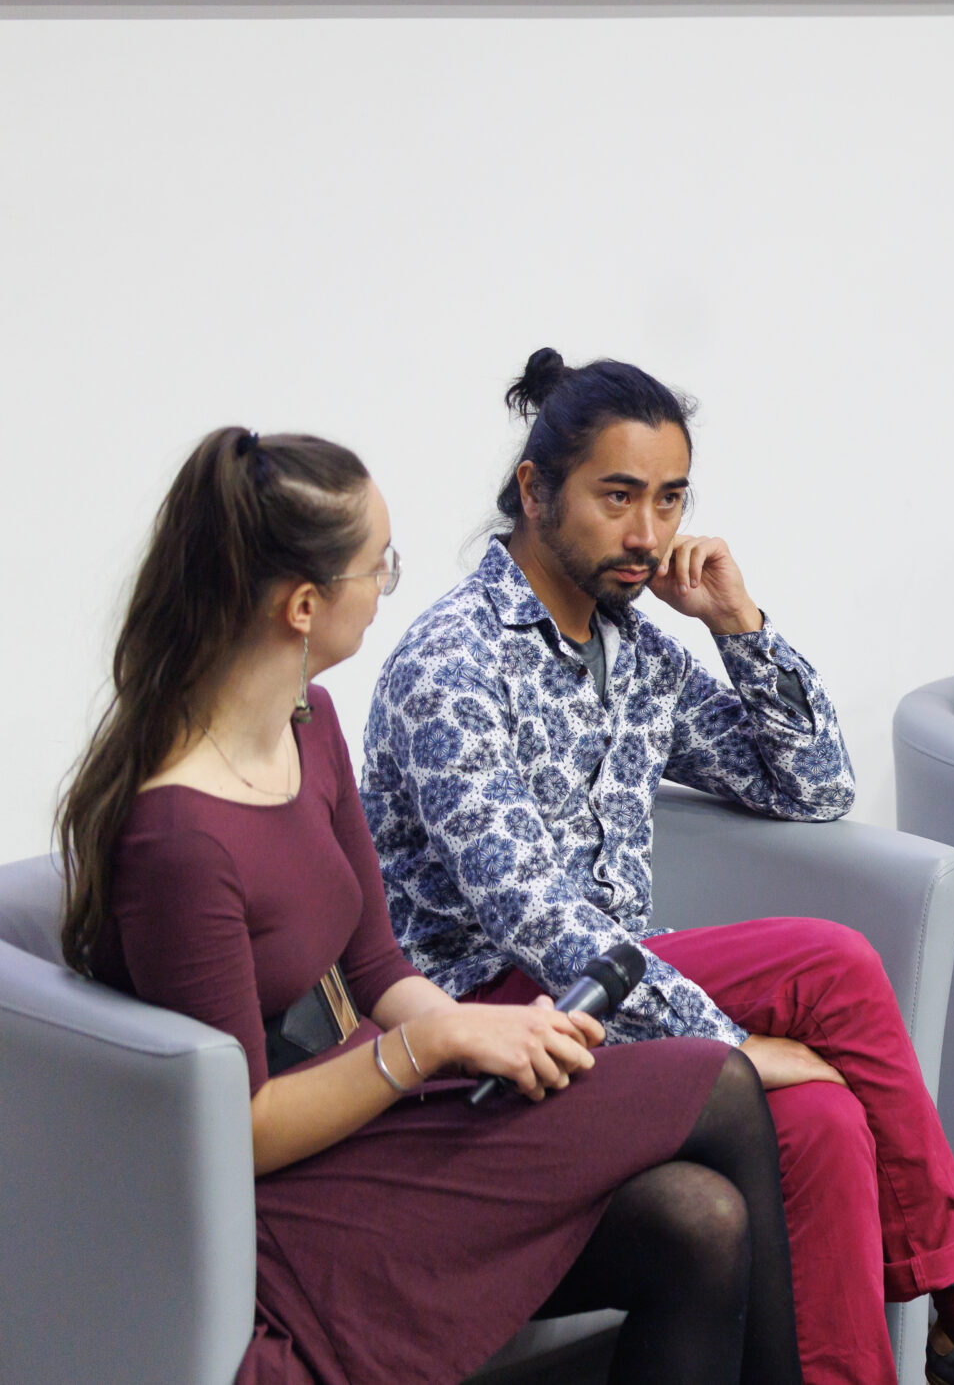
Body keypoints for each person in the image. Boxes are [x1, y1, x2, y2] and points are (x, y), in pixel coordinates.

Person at [59, 428, 800, 1385]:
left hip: (368, 1107)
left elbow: (375, 966)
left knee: (700, 1220)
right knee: (721, 1082)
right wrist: (435, 1044)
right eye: (379, 566)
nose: (387, 586)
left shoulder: (307, 724)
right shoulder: (181, 838)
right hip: (281, 1188)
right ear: (302, 605)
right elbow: (241, 1132)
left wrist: (492, 1036)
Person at [362, 352, 954, 1385]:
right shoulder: (453, 663)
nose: (648, 534)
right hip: (489, 1017)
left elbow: (812, 785)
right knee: (832, 964)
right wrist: (731, 1050)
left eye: (669, 500)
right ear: (535, 491)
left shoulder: (638, 652)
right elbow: (534, 918)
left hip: (611, 995)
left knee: (826, 1119)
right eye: (618, 496)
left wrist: (738, 625)